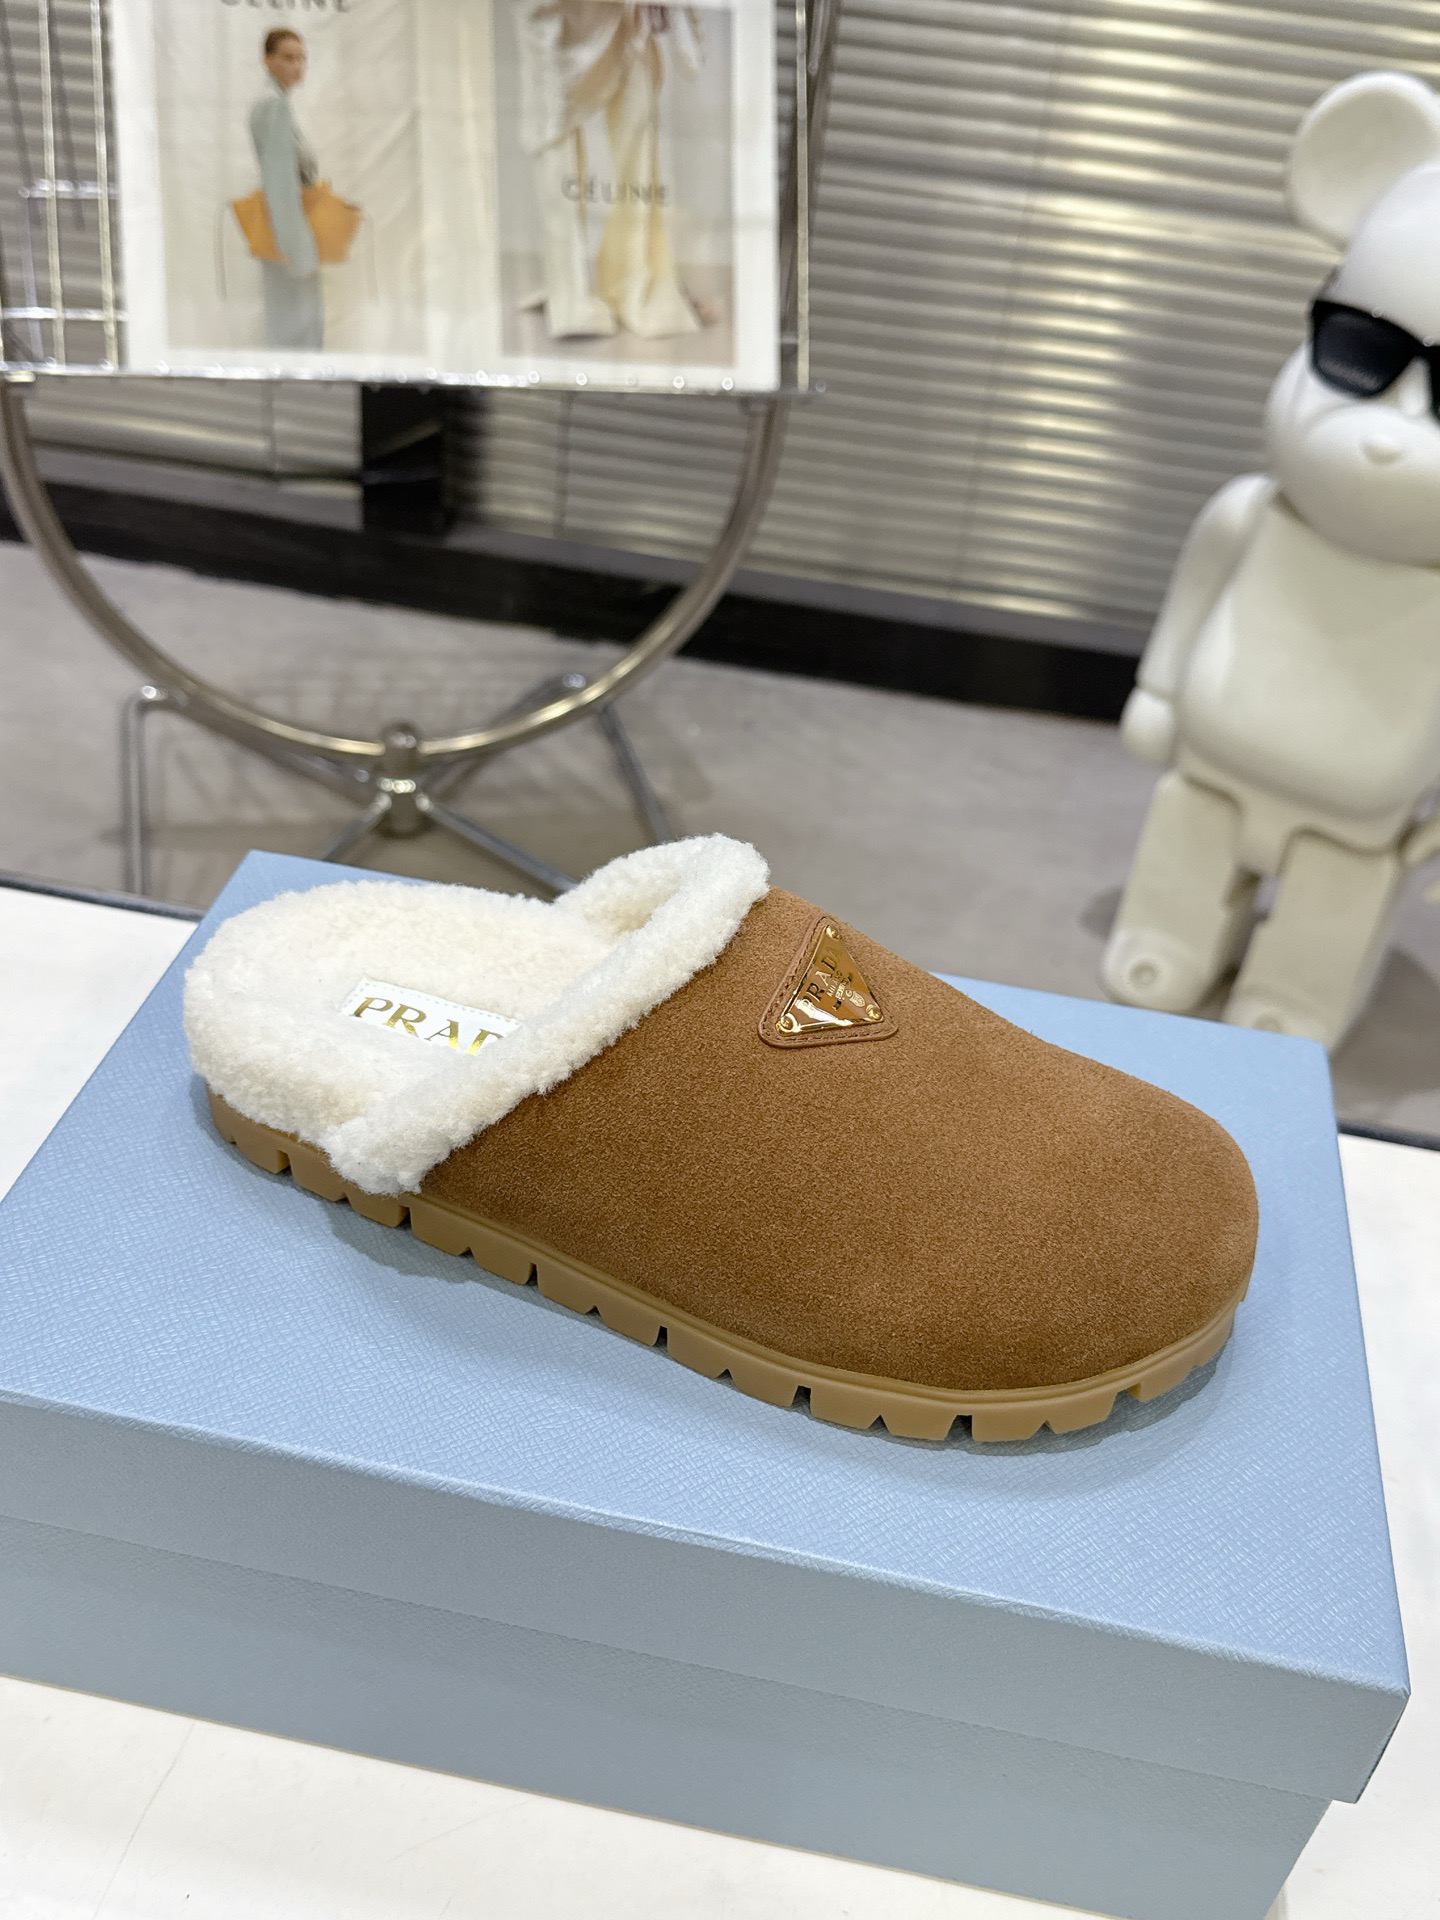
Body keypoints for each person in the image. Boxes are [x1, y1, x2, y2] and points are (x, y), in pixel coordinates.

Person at [514, 3, 704, 341]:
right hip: (556, 12)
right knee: (554, 130)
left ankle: (635, 276)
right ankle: (568, 292)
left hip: (626, 15)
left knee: (638, 112)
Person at [250, 28, 323, 350]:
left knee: (289, 331)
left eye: (301, 59)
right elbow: (280, 183)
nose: (297, 66)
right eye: (288, 58)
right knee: (297, 337)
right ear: (268, 60)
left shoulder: (276, 104)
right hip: (288, 236)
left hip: (285, 231)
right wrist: (298, 251)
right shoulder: (273, 106)